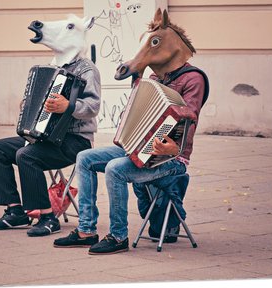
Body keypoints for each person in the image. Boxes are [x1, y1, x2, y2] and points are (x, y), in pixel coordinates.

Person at [53, 62, 207, 254]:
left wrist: (175, 147)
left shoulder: (194, 78)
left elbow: (190, 118)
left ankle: (118, 236)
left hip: (173, 159)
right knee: (84, 158)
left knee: (115, 169)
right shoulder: (154, 79)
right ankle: (86, 231)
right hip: (139, 148)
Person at [0, 56, 101, 237]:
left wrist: (68, 106)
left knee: (26, 155)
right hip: (47, 136)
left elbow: (93, 106)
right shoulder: (54, 65)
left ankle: (48, 218)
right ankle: (15, 211)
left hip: (76, 140)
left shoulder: (87, 69)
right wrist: (29, 104)